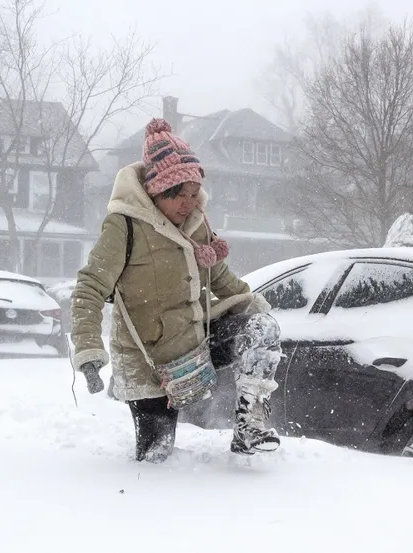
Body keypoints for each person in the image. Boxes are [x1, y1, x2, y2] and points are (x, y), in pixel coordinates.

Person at [70, 118, 283, 463]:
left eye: (193, 193)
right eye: (178, 194)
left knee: (261, 328)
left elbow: (222, 280)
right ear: (157, 190)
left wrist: (260, 308)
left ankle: (251, 426)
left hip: (197, 343)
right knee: (157, 457)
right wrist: (89, 350)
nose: (188, 203)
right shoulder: (124, 225)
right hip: (149, 361)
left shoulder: (196, 225)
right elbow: (90, 287)